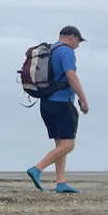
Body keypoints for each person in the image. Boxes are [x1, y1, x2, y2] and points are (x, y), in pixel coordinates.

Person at [26, 26, 89, 193]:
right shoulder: (66, 52)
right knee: (68, 145)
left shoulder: (50, 50)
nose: (78, 46)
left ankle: (61, 182)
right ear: (71, 37)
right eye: (78, 41)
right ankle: (37, 169)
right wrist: (83, 99)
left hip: (46, 103)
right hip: (62, 103)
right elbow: (71, 75)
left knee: (60, 144)